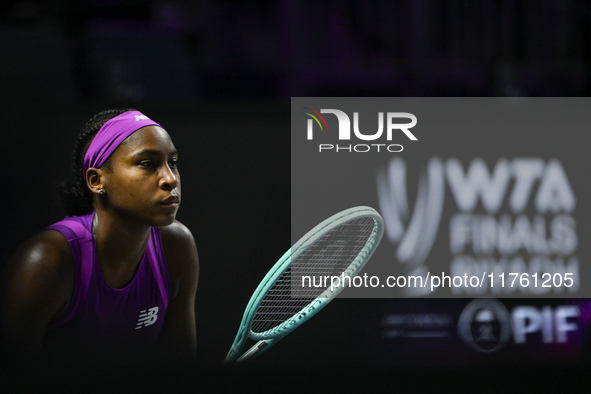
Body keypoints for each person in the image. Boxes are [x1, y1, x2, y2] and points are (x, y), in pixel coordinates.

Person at [0, 109, 199, 368]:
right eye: (147, 164)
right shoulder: (46, 262)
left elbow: (180, 373)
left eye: (172, 162)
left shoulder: (177, 247)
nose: (170, 179)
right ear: (96, 180)